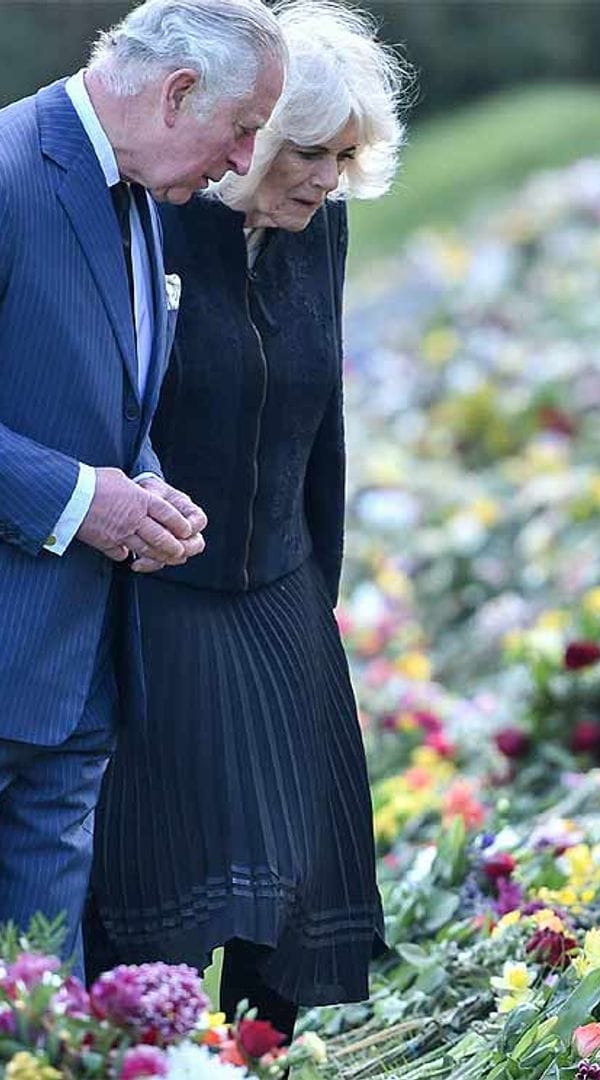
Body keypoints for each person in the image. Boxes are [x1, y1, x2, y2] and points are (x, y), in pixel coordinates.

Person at [88, 0, 407, 1035]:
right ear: (249, 133)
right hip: (159, 595)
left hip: (280, 586)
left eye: (345, 159)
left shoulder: (323, 228)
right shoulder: (153, 215)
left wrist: (321, 596)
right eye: (309, 152)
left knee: (298, 902)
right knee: (169, 891)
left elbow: (325, 429)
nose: (325, 179)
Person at [0, 0, 285, 978]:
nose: (246, 160)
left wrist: (149, 491)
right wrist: (84, 502)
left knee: (39, 999)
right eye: (243, 128)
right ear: (176, 93)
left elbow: (106, 402)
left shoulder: (145, 195)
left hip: (76, 681)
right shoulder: (5, 171)